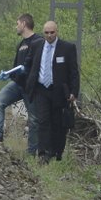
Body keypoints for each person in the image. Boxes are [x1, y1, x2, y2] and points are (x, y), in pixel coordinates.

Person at [22, 19, 80, 163]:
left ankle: (55, 152)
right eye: (46, 33)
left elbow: (74, 72)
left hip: (59, 91)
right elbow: (28, 64)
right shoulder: (36, 45)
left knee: (57, 123)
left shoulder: (67, 48)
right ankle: (43, 153)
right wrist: (26, 79)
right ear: (43, 33)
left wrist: (74, 91)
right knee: (42, 121)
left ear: (57, 32)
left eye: (52, 32)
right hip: (41, 89)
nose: (49, 36)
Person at [0, 13, 40, 154]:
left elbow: (35, 66)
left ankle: (32, 152)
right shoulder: (21, 44)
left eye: (17, 23)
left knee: (34, 120)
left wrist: (25, 71)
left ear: (24, 24)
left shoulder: (38, 41)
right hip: (17, 84)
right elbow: (16, 66)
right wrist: (7, 74)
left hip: (31, 87)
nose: (16, 26)